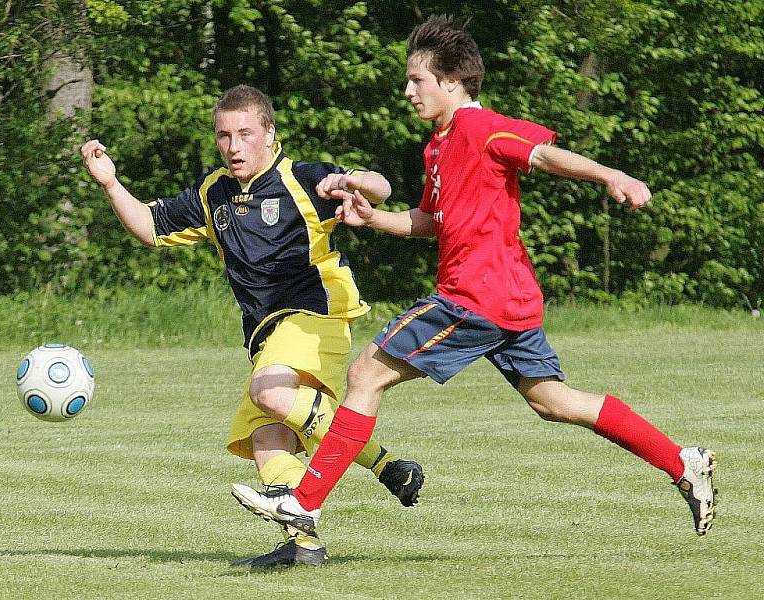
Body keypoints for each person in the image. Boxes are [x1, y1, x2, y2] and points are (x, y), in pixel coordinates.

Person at [230, 16, 717, 544]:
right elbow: (431, 221)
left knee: (366, 373)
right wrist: (374, 219)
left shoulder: (478, 127)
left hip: (474, 296)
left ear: (453, 82)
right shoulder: (439, 145)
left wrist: (611, 175)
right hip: (508, 297)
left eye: (417, 79)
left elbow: (541, 154)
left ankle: (305, 504)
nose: (408, 90)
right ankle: (682, 461)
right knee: (552, 400)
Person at [80, 84, 425, 569]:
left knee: (270, 393)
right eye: (224, 135)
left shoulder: (304, 178)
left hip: (315, 314)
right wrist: (110, 183)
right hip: (265, 333)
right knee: (267, 439)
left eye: (245, 133)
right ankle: (303, 544)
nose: (234, 145)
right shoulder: (213, 191)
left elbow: (383, 187)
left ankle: (387, 467)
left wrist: (355, 182)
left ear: (269, 133)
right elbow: (150, 228)